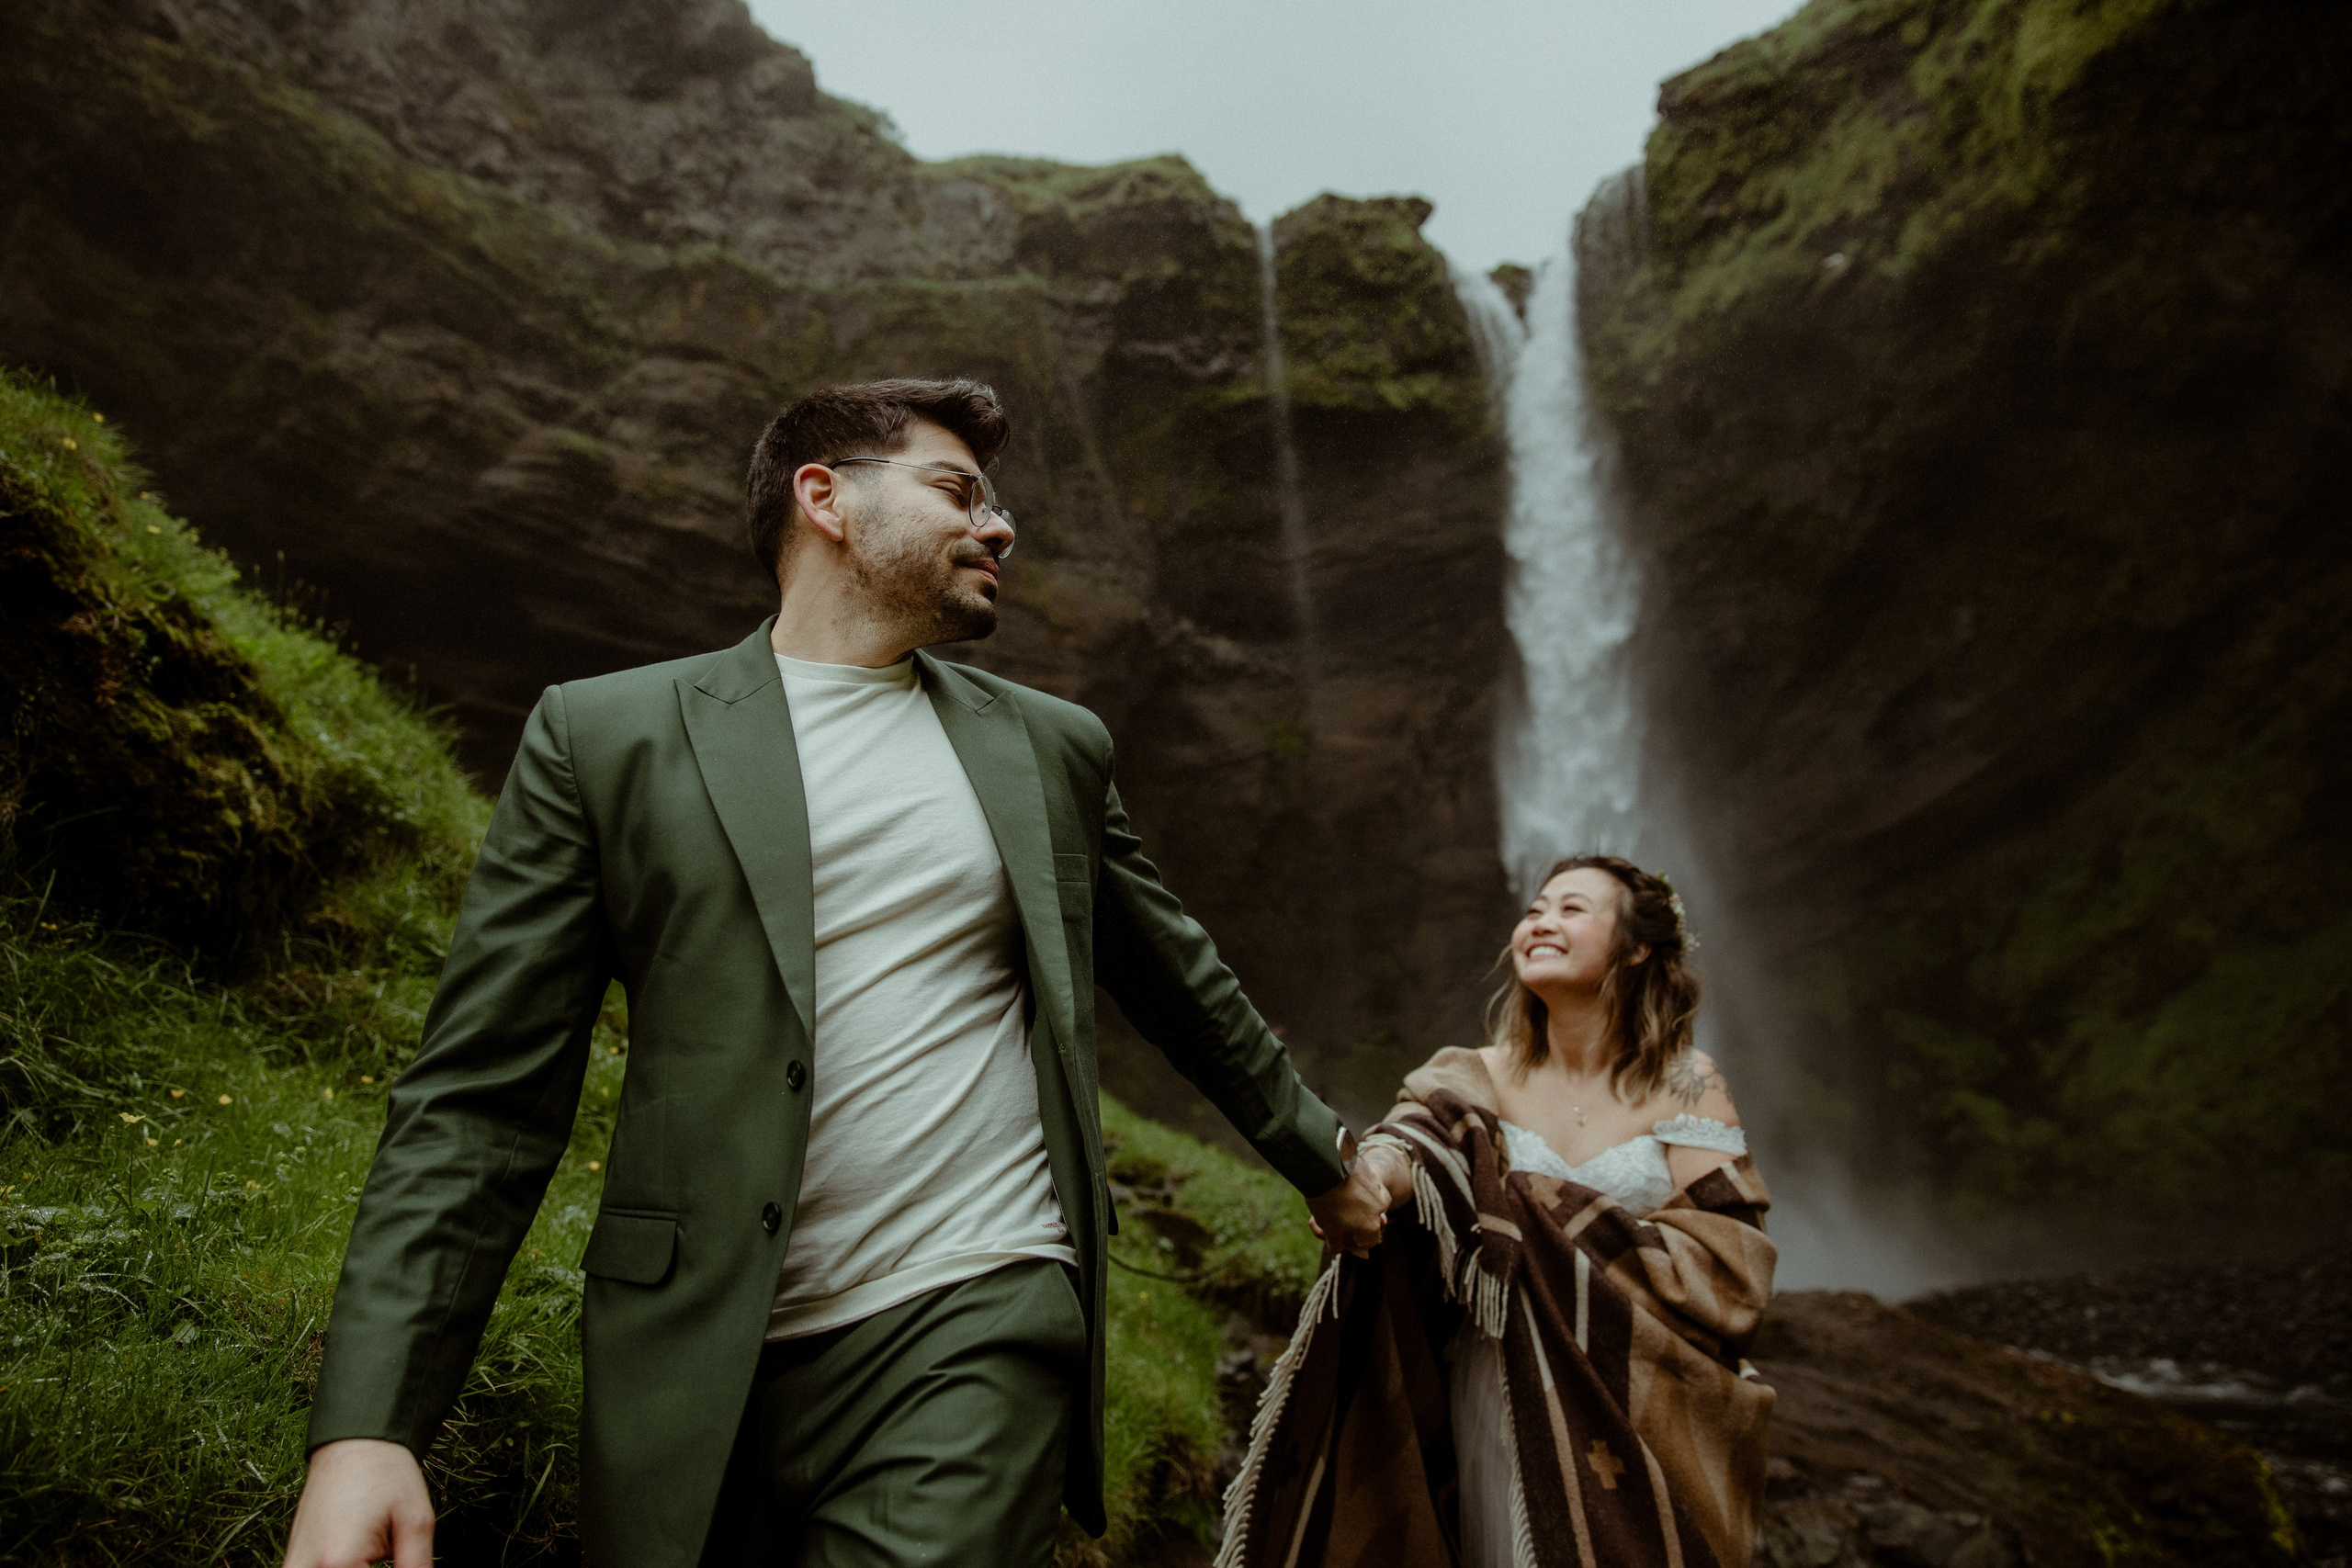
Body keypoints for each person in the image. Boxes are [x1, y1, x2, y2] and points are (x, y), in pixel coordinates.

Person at [280, 378, 1390, 1568]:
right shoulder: (602, 736)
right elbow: (480, 1098)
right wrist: (367, 1424)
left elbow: (1175, 973)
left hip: (978, 1300)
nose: (1000, 525)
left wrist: (1321, 1157)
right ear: (826, 498)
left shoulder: (1050, 747)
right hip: (691, 1349)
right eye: (957, 490)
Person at [1219, 855, 1778, 1568]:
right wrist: (1363, 1181)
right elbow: (1411, 1146)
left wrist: (1527, 1214)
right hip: (1495, 1393)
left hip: (1632, 1404)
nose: (1542, 920)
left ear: (1639, 947)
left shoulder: (1684, 1080)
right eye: (1535, 908)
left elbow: (1728, 1254)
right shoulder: (1475, 1071)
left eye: (1573, 908)